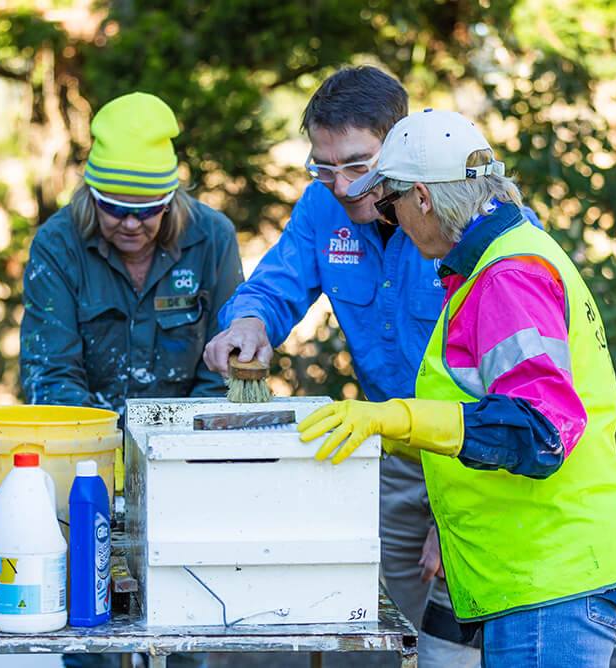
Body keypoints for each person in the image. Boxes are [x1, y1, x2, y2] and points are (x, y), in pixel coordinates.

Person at [298, 108, 616, 666]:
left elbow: (539, 431)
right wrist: (382, 435)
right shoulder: (496, 261)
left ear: (421, 198)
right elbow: (474, 410)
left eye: (391, 206)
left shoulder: (507, 276)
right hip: (535, 575)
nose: (390, 223)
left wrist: (397, 417)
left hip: (549, 578)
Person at [203, 67, 482, 666]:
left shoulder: (461, 215)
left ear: (402, 145)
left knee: (460, 649)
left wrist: (462, 506)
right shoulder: (321, 210)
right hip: (397, 456)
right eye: (323, 167)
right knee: (394, 636)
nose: (341, 184)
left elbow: (514, 392)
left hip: (479, 461)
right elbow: (275, 287)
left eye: (357, 164)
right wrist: (249, 323)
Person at [20, 91, 242, 668]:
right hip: (87, 469)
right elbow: (50, 373)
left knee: (187, 627)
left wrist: (174, 457)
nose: (132, 224)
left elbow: (223, 368)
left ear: (173, 198)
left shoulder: (213, 239)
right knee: (87, 634)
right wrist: (106, 466)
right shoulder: (57, 245)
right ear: (91, 192)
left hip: (187, 467)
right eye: (116, 207)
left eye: (149, 209)